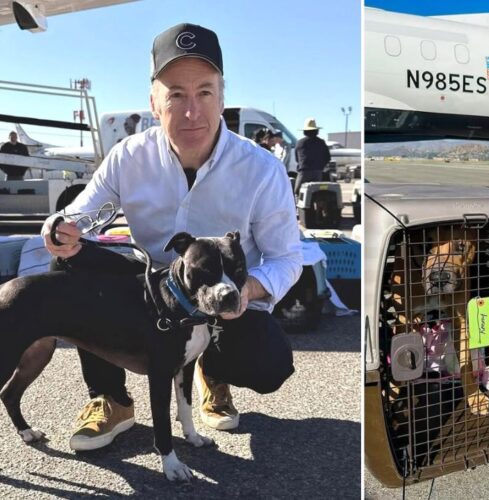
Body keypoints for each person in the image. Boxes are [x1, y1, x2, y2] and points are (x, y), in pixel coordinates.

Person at [41, 23, 302, 451]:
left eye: (204, 92)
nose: (191, 111)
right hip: (153, 286)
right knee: (68, 261)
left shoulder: (262, 169)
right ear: (153, 101)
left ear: (221, 96)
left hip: (224, 293)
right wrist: (59, 230)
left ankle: (210, 371)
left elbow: (286, 258)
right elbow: (79, 215)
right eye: (175, 94)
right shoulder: (128, 155)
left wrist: (243, 290)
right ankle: (111, 398)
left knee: (268, 364)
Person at [294, 118, 330, 196]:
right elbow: (327, 157)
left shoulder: (300, 143)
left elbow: (297, 159)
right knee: (317, 193)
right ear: (316, 131)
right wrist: (321, 166)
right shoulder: (321, 142)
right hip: (318, 172)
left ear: (305, 131)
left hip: (304, 172)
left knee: (297, 192)